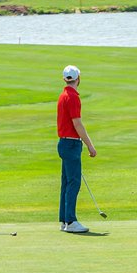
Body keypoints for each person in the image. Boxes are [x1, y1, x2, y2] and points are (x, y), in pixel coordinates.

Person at [57, 64, 97, 233]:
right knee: (73, 183)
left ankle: (64, 220)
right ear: (78, 79)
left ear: (64, 79)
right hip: (71, 143)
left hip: (64, 143)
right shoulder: (73, 97)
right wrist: (90, 145)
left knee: (67, 182)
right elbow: (77, 124)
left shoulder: (63, 95)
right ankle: (71, 221)